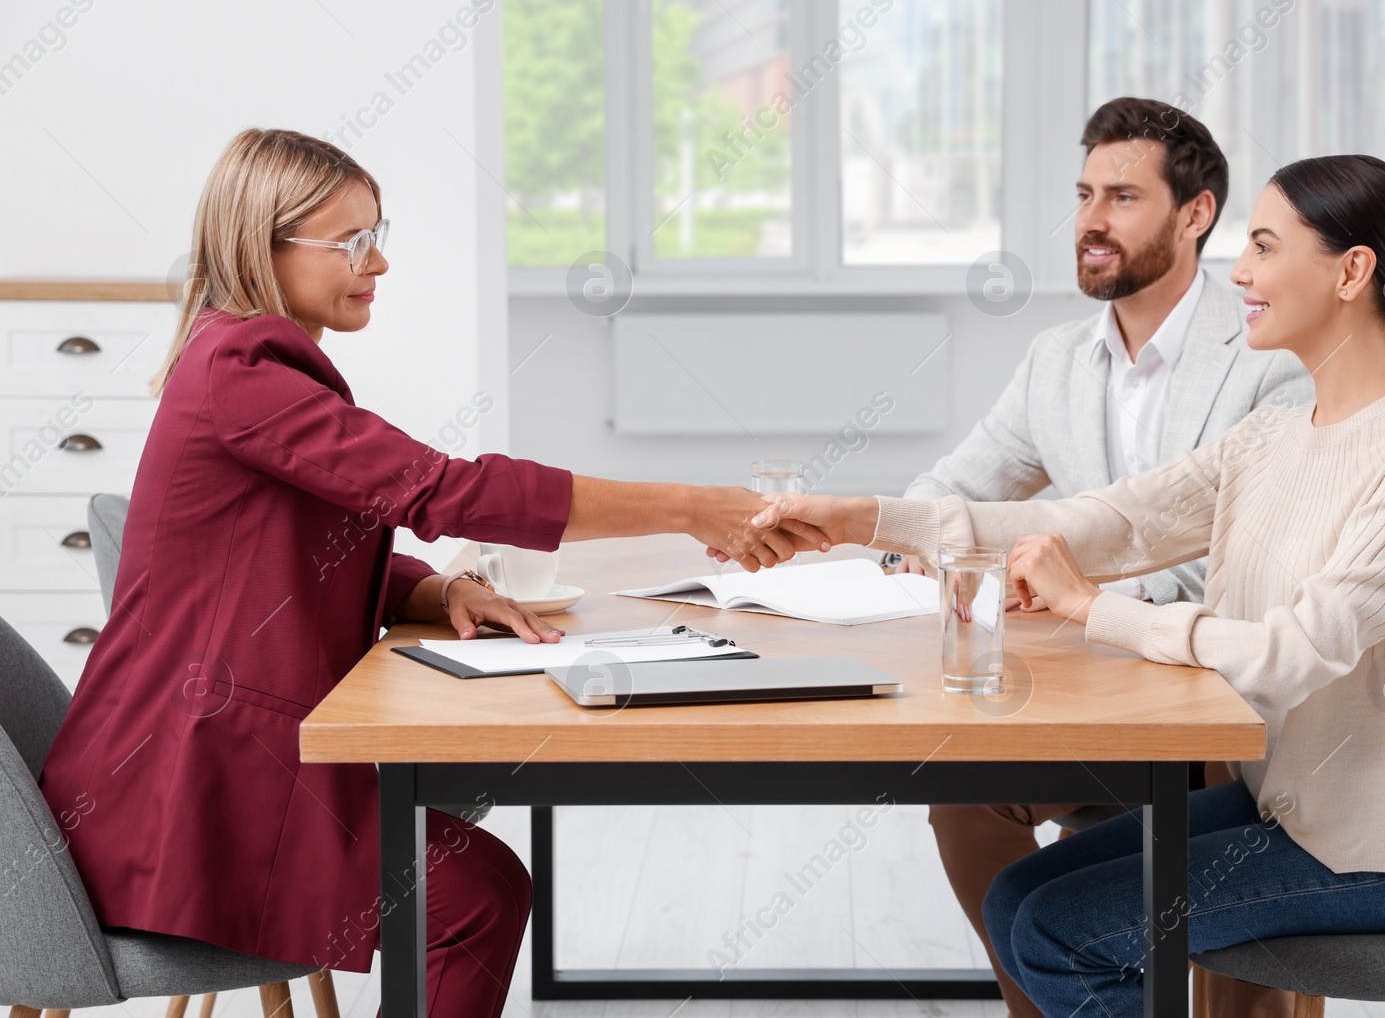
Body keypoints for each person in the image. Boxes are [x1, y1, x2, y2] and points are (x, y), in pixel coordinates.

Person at [37, 129, 813, 1016]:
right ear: (266, 244)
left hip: (191, 767)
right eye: (354, 242)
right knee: (476, 895)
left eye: (379, 233)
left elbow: (301, 538)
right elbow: (445, 490)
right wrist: (687, 506)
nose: (382, 262)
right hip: (186, 799)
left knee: (471, 880)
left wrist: (435, 589)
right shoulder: (244, 371)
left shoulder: (242, 361)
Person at [754, 154, 1385, 1018]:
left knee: (1059, 932)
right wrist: (858, 519)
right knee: (1015, 905)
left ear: (1352, 270)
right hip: (1291, 812)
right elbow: (1103, 522)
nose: (1241, 272)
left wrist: (1089, 607)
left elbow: (1298, 653)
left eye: (1263, 245)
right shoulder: (1268, 437)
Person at [902, 96, 1310, 1018]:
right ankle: (1062, 1004)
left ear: (1195, 213)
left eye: (1123, 196)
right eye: (1085, 194)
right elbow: (961, 486)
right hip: (1107, 698)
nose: (1091, 220)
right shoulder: (1057, 359)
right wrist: (881, 541)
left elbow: (1252, 573)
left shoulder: (1267, 356)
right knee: (965, 797)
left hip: (1227, 708)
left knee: (1231, 799)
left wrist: (1074, 589)